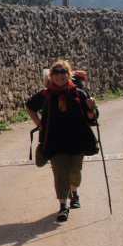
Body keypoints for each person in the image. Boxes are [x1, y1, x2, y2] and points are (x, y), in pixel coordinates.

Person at [26, 60, 98, 222]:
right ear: (51, 76)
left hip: (77, 141)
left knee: (75, 173)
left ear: (69, 74)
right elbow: (30, 106)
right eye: (56, 73)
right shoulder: (46, 95)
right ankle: (63, 206)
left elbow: (91, 118)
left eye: (63, 72)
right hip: (54, 142)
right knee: (60, 174)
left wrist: (92, 108)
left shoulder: (79, 93)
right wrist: (40, 125)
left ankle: (74, 192)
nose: (60, 76)